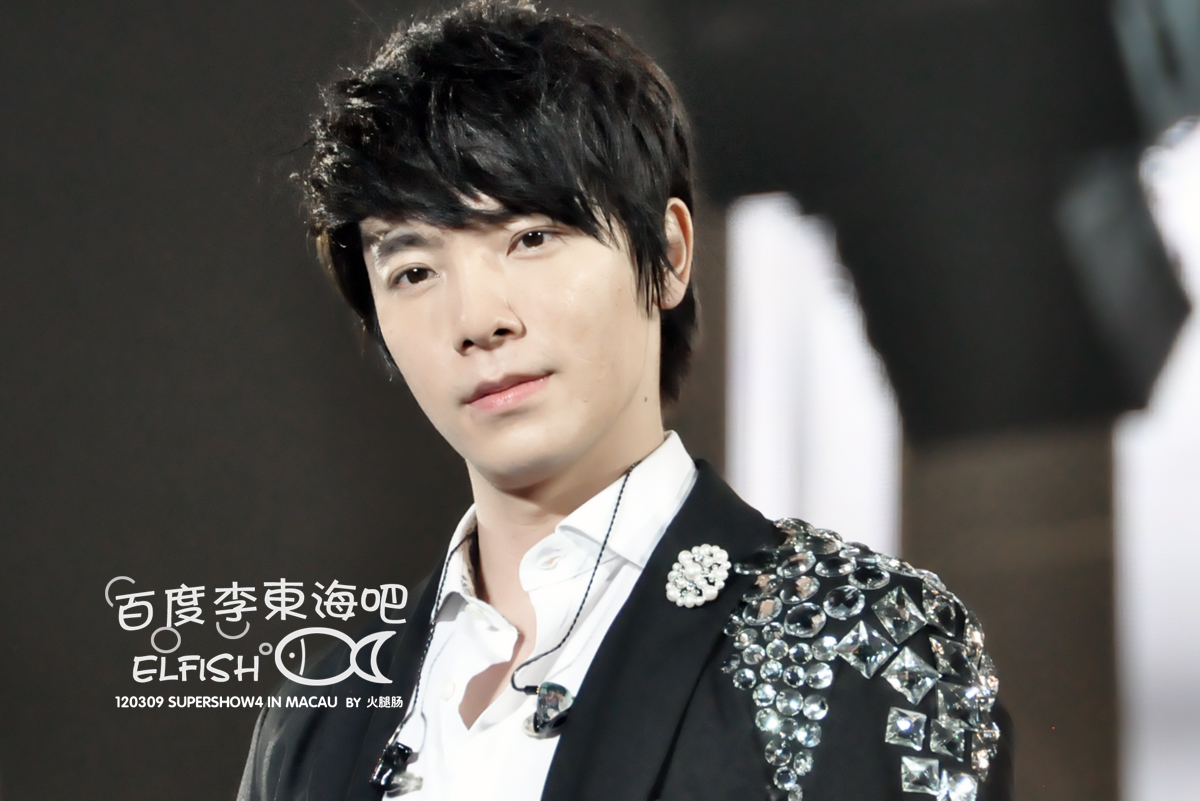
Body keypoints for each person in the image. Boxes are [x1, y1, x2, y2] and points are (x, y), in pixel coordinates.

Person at [237, 2, 1013, 799]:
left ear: (669, 254)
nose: (477, 320)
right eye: (413, 271)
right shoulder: (317, 719)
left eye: (530, 237)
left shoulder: (860, 639)